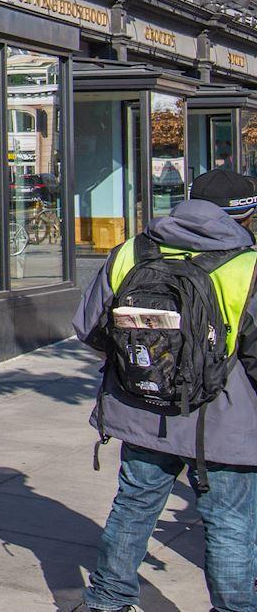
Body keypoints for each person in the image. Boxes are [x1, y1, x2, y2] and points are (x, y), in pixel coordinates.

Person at [76, 169, 257, 612]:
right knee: (229, 523)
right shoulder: (247, 265)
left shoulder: (131, 251)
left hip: (141, 409)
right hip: (222, 425)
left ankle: (108, 601)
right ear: (245, 214)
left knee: (133, 506)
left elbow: (88, 327)